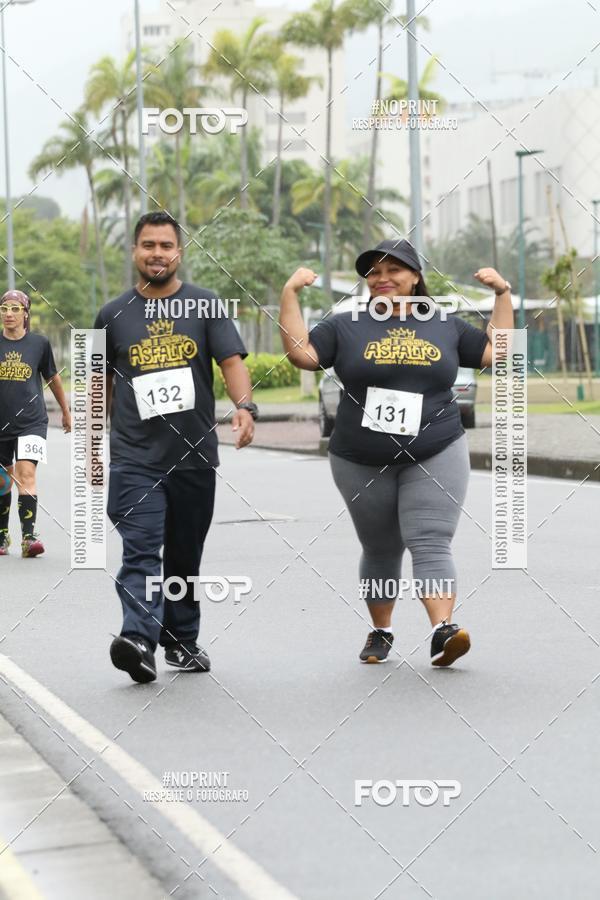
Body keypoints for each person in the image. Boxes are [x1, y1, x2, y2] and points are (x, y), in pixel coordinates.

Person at [279, 238, 513, 666]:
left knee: (431, 541)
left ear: (415, 276)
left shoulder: (445, 323)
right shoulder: (345, 325)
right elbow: (301, 354)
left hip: (436, 446)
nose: (382, 279)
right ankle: (381, 630)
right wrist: (289, 294)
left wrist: (502, 295)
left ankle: (443, 630)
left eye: (394, 270)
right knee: (381, 548)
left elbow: (496, 351)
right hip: (358, 456)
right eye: (373, 272)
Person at [94, 211, 257, 684]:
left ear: (178, 252)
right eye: (148, 245)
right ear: (134, 252)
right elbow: (98, 383)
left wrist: (245, 407)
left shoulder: (206, 306)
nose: (157, 254)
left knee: (184, 555)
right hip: (133, 459)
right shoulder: (110, 314)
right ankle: (139, 640)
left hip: (194, 456)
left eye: (166, 245)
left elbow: (230, 361)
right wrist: (91, 447)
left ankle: (182, 640)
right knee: (141, 553)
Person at [0, 290, 71, 558]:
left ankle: (29, 539)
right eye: (4, 308)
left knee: (26, 474)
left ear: (25, 313)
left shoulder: (39, 344)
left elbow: (52, 378)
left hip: (32, 422)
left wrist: (65, 411)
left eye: (15, 309)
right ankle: (1, 536)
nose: (8, 313)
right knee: (3, 481)